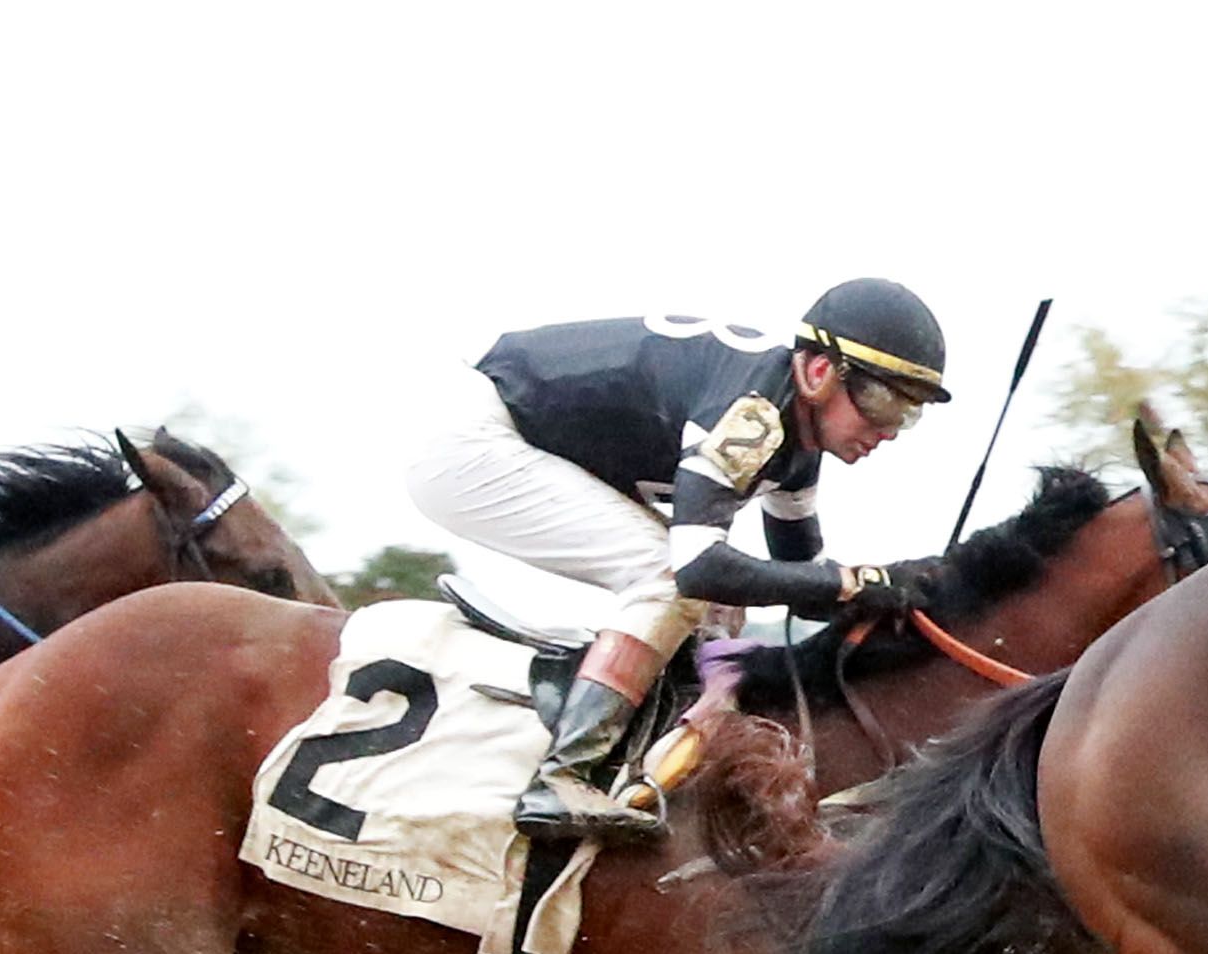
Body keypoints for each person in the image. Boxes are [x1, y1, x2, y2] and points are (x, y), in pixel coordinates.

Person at [406, 281, 952, 839]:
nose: (888, 431)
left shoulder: (795, 442)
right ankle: (562, 776)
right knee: (669, 578)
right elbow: (701, 569)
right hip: (475, 442)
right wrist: (858, 582)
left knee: (716, 600)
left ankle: (647, 748)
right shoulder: (754, 415)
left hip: (511, 431)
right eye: (884, 402)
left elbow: (803, 580)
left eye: (909, 415)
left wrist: (915, 595)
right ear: (818, 373)